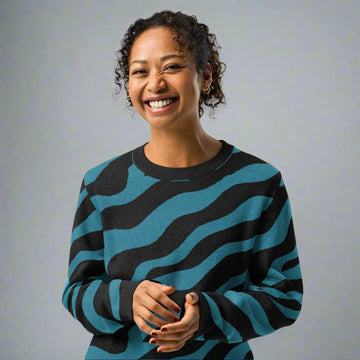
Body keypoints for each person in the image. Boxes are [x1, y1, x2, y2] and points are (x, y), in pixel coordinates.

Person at [62, 10, 303, 360]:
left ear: (205, 77)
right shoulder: (102, 183)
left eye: (171, 67)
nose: (155, 83)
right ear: (128, 83)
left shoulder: (258, 183)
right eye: (140, 71)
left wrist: (205, 315)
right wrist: (129, 299)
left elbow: (284, 296)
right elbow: (76, 292)